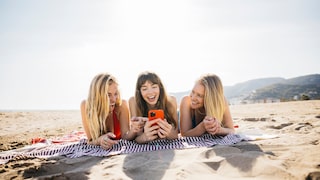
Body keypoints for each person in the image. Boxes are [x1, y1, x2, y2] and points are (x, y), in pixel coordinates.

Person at [80, 73, 137, 150]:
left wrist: (134, 129)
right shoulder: (86, 106)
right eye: (108, 95)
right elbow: (90, 140)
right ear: (97, 95)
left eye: (116, 94)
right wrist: (100, 140)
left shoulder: (121, 105)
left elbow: (126, 136)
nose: (114, 99)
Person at [128, 71, 179, 144]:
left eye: (154, 87)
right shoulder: (134, 102)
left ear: (160, 88)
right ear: (139, 92)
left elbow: (175, 135)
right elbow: (136, 139)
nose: (150, 92)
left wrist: (168, 133)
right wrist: (145, 137)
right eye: (144, 89)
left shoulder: (171, 101)